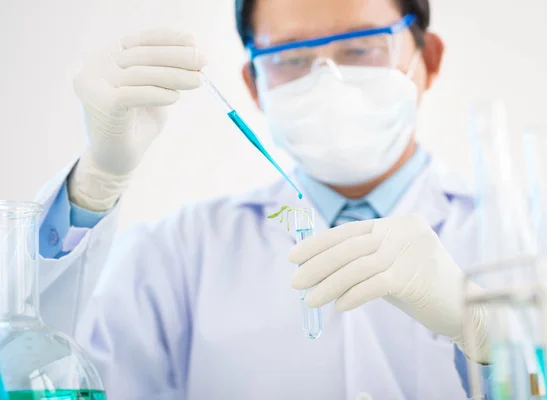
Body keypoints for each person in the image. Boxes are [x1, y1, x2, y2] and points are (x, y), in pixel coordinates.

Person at [34, 0, 492, 398]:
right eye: (290, 57)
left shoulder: (520, 235)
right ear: (254, 86)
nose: (326, 78)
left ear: (428, 59)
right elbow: (47, 370)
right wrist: (94, 187)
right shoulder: (180, 254)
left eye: (360, 47)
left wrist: (492, 342)